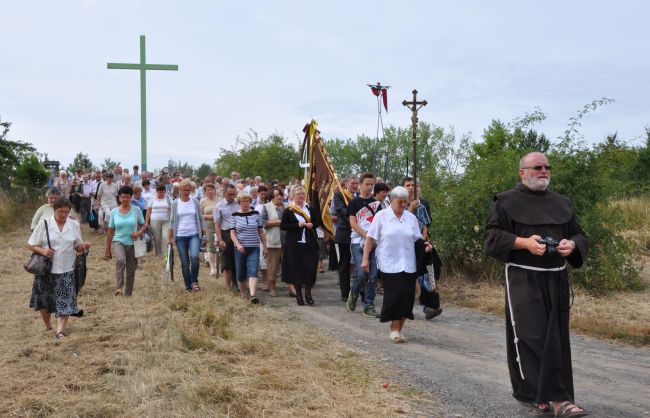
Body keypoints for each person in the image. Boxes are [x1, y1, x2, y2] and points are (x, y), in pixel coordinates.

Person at [485, 152, 589, 417]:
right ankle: (555, 399)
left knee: (556, 337)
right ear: (523, 172)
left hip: (556, 277)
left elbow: (578, 234)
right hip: (523, 276)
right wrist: (523, 242)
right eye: (538, 167)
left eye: (547, 167)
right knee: (531, 335)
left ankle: (543, 394)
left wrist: (572, 244)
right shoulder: (506, 202)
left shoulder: (562, 203)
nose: (544, 171)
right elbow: (492, 238)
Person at [362, 186, 432, 342]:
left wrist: (425, 245)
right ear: (392, 200)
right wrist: (365, 259)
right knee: (396, 295)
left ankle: (398, 330)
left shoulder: (411, 218)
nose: (403, 205)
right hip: (389, 263)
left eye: (405, 203)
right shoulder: (381, 216)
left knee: (408, 297)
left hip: (408, 263)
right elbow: (370, 239)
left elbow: (417, 239)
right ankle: (394, 329)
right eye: (400, 202)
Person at [28, 197, 91, 339]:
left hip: (67, 269)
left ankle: (60, 331)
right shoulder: (44, 224)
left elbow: (77, 245)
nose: (63, 215)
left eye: (66, 212)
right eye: (60, 211)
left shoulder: (73, 225)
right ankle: (48, 325)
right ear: (54, 210)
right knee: (45, 302)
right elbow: (31, 244)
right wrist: (43, 251)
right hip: (46, 270)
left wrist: (83, 246)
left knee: (66, 300)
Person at [346, 172, 383, 317]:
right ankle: (354, 294)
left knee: (373, 275)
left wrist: (374, 238)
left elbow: (380, 223)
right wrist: (364, 234)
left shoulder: (377, 204)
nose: (369, 187)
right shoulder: (354, 202)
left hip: (373, 243)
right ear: (360, 184)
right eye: (366, 184)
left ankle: (369, 305)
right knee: (361, 273)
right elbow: (352, 222)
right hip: (357, 241)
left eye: (371, 184)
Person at [280, 186, 322, 306]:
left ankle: (308, 293)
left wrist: (312, 225)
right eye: (298, 194)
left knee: (310, 268)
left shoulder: (309, 208)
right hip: (294, 244)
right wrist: (296, 224)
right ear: (292, 196)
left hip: (309, 243)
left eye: (303, 194)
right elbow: (283, 226)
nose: (301, 196)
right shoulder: (289, 210)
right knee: (296, 269)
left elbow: (317, 221)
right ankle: (298, 294)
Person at [105, 186, 146, 296]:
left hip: (133, 243)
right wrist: (107, 249)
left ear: (131, 197)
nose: (125, 200)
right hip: (118, 241)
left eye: (127, 197)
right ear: (119, 198)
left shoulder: (136, 210)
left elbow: (144, 225)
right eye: (123, 197)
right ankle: (119, 287)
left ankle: (128, 293)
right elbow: (110, 231)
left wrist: (139, 233)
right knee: (121, 260)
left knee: (131, 269)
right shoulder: (114, 212)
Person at [168, 179, 207, 292]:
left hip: (194, 234)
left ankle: (194, 281)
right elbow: (172, 221)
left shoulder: (195, 202)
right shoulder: (175, 203)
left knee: (194, 257)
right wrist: (169, 238)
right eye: (184, 190)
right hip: (180, 235)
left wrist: (204, 236)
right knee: (185, 262)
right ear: (179, 190)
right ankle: (188, 285)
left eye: (188, 190)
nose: (186, 192)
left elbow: (201, 219)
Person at [230, 193, 268, 303]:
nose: (246, 203)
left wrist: (265, 246)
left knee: (253, 270)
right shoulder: (234, 215)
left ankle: (252, 295)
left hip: (254, 247)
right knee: (241, 273)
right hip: (240, 248)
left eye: (247, 201)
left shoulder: (256, 214)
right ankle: (244, 295)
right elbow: (232, 233)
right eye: (243, 201)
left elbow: (261, 231)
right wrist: (238, 245)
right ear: (239, 203)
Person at [331, 175, 359, 301]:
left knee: (359, 264)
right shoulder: (339, 195)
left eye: (356, 183)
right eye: (352, 183)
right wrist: (355, 219)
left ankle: (360, 292)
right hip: (344, 234)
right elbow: (342, 211)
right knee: (344, 265)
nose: (355, 185)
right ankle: (345, 292)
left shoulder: (359, 197)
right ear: (346, 183)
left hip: (359, 235)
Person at [261, 186, 287, 297]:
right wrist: (280, 222)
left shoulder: (287, 207)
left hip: (287, 241)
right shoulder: (266, 207)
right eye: (276, 195)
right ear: (271, 197)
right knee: (273, 267)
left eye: (280, 194)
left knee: (288, 265)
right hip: (273, 241)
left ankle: (291, 287)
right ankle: (273, 287)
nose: (279, 196)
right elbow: (264, 223)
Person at [214, 184, 240, 290]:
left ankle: (238, 284)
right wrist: (220, 240)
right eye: (230, 194)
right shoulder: (219, 206)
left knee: (238, 260)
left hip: (239, 233)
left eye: (233, 194)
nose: (232, 196)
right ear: (225, 193)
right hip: (226, 233)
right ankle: (228, 287)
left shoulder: (238, 204)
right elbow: (217, 224)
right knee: (227, 262)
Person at [146, 184, 172, 257]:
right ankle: (158, 254)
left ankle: (166, 255)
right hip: (154, 220)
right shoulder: (152, 198)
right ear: (156, 191)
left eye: (163, 192)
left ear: (165, 191)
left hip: (166, 220)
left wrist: (170, 207)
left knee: (165, 237)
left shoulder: (168, 197)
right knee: (156, 238)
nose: (161, 193)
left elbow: (173, 208)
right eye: (159, 192)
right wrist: (146, 222)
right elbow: (148, 211)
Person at [199, 182, 220, 276]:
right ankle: (212, 268)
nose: (210, 191)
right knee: (210, 248)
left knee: (219, 247)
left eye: (212, 189)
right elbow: (199, 216)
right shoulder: (202, 201)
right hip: (208, 226)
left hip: (219, 226)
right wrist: (209, 217)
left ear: (215, 190)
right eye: (208, 190)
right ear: (205, 192)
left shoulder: (220, 200)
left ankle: (218, 266)